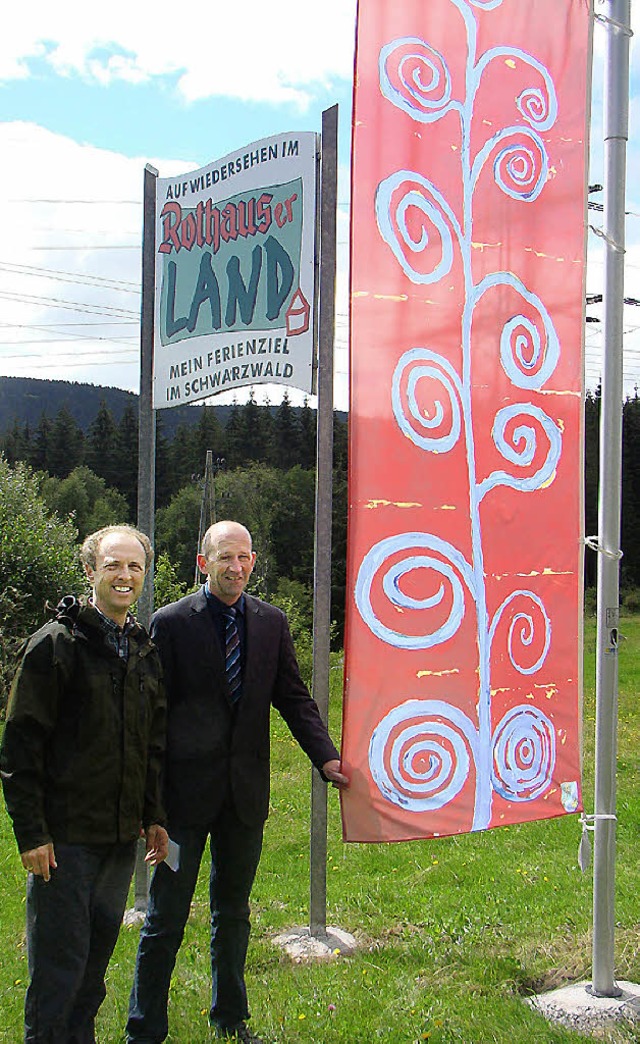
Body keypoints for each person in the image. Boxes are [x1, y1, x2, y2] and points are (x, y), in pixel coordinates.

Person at [126, 520, 348, 1044]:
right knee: (166, 917)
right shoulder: (171, 623)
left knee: (234, 912)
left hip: (244, 799)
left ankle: (229, 1017)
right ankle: (144, 1030)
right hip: (182, 803)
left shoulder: (270, 623)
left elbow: (293, 698)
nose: (237, 567)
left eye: (245, 557)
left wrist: (326, 758)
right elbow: (153, 718)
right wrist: (150, 805)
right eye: (226, 557)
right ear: (203, 563)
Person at [0, 524, 169, 1044]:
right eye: (113, 565)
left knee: (92, 973)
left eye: (134, 567)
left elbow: (149, 745)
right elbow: (19, 748)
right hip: (64, 843)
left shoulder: (142, 651)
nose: (125, 576)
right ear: (90, 571)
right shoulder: (54, 647)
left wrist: (153, 816)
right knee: (58, 972)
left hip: (119, 842)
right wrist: (32, 834)